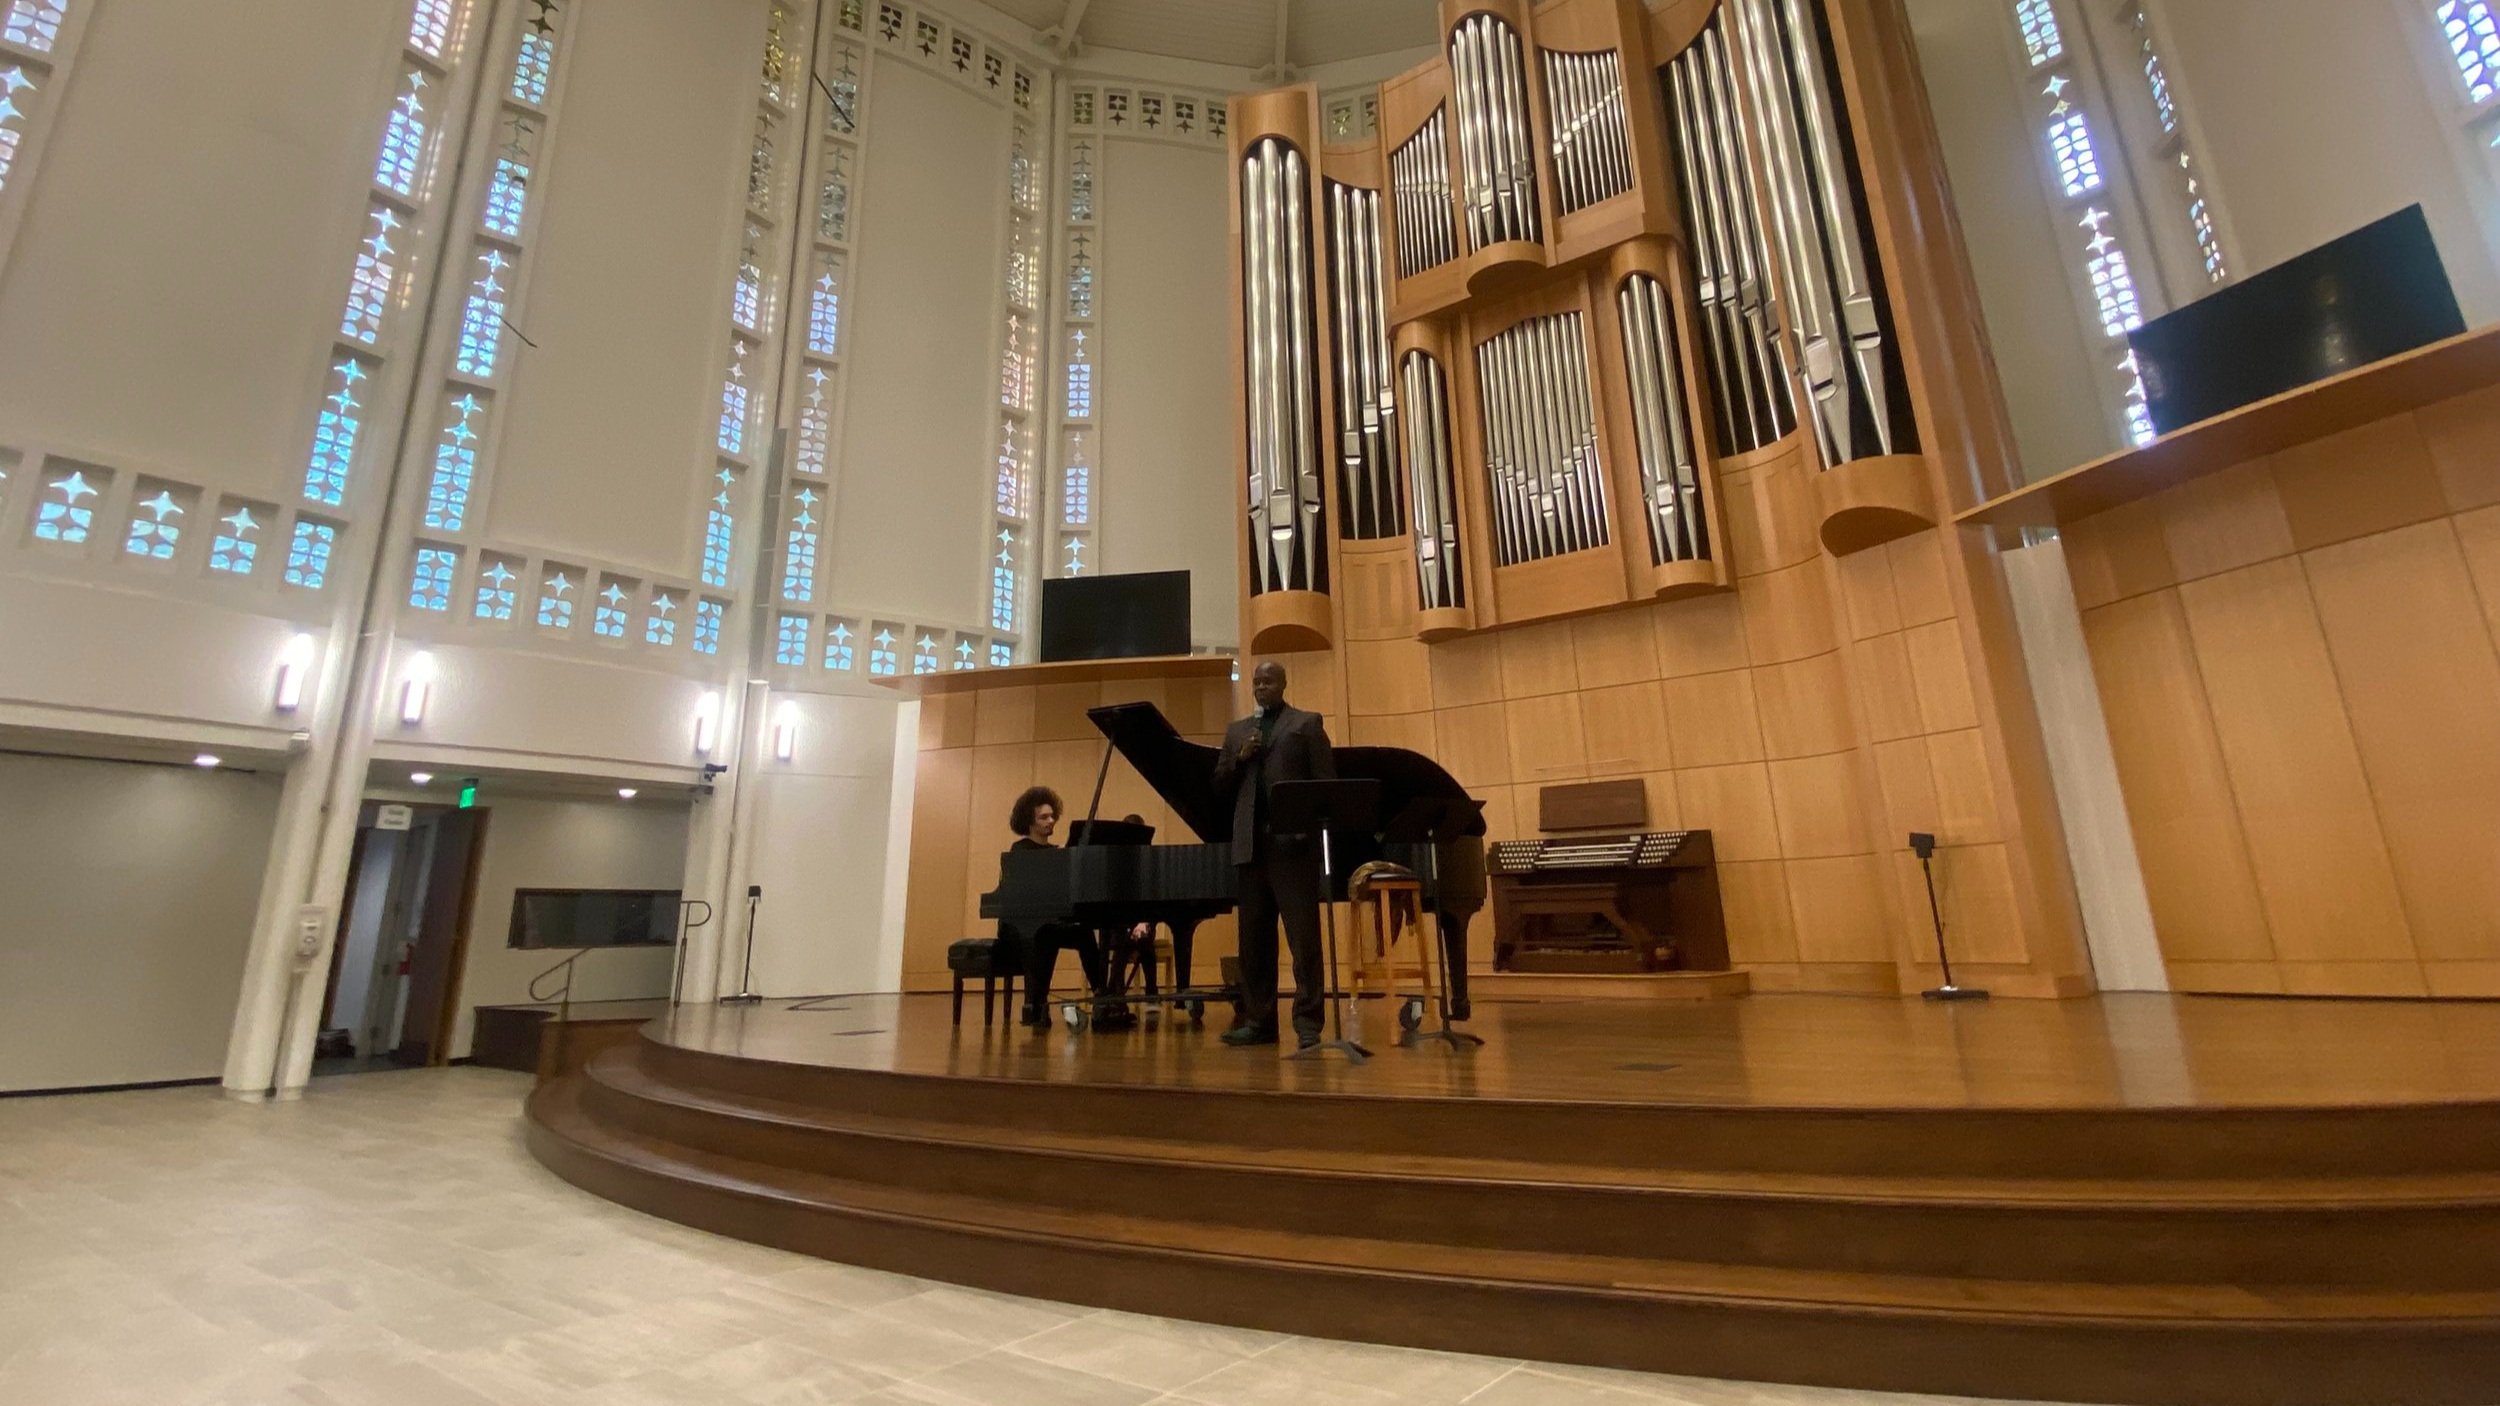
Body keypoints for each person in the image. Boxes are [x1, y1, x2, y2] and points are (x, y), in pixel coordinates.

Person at [1209, 661, 1335, 1048]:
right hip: (1250, 849)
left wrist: (1309, 831)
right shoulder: (1237, 732)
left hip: (1292, 847)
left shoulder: (1306, 724)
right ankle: (1259, 1022)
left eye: (1269, 681)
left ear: (1283, 684)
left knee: (1304, 941)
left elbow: (1325, 784)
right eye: (1257, 682)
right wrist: (1240, 757)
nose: (1261, 687)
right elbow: (1218, 787)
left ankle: (1308, 1024)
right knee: (1254, 945)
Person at [999, 786, 1106, 1029]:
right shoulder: (1020, 851)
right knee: (1044, 935)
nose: (1051, 821)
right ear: (1029, 821)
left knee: (1083, 933)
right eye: (1043, 817)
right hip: (1018, 926)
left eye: (1052, 816)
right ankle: (1036, 1005)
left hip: (1048, 922)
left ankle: (1102, 996)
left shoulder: (1057, 853)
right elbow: (1018, 895)